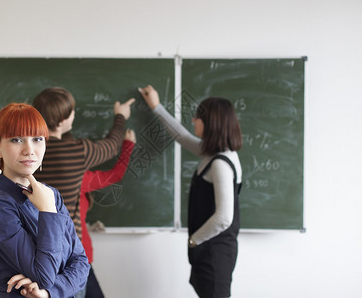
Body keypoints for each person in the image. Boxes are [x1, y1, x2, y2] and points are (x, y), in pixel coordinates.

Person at [0, 103, 90, 298]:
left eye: (37, 139)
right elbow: (43, 275)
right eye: (17, 139)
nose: (29, 150)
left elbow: (81, 263)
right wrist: (47, 210)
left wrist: (47, 293)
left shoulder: (51, 194)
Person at [139, 85, 243, 298]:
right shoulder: (214, 154)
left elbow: (224, 218)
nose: (194, 119)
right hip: (210, 249)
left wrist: (195, 240)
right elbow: (182, 136)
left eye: (198, 116)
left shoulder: (220, 164)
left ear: (211, 122)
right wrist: (156, 107)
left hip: (214, 252)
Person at [32, 87, 134, 239]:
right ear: (60, 122)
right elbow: (113, 145)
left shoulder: (25, 150)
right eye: (71, 112)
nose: (74, 114)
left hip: (33, 239)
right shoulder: (77, 151)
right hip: (67, 243)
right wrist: (120, 116)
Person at [80, 128, 136, 298]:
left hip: (70, 256)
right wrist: (127, 145)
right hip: (77, 256)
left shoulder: (39, 175)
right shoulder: (80, 178)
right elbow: (116, 174)